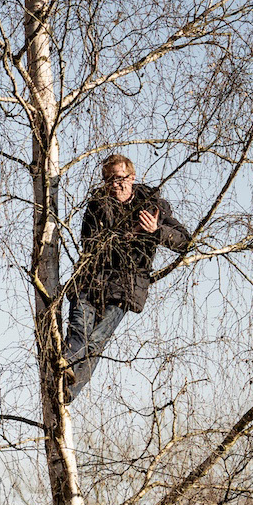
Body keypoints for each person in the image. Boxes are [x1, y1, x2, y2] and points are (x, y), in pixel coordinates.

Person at [59, 153, 191, 396]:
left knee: (96, 340)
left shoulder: (153, 206)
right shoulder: (97, 205)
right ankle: (62, 370)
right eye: (109, 180)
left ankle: (69, 391)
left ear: (132, 177)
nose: (116, 185)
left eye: (120, 178)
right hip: (89, 281)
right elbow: (90, 243)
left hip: (124, 287)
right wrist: (127, 234)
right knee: (78, 331)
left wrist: (155, 231)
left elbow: (184, 241)